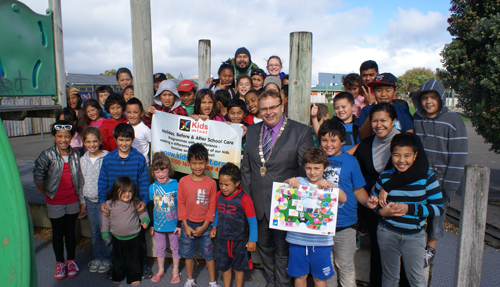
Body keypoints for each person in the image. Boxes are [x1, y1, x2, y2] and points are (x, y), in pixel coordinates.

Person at [241, 90, 314, 287]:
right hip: (258, 202)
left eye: (273, 107)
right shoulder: (253, 131)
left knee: (283, 251)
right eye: (264, 108)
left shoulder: (300, 131)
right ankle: (273, 282)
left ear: (282, 106)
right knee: (264, 247)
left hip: (285, 204)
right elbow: (246, 169)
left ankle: (282, 284)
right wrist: (248, 200)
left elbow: (307, 169)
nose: (269, 112)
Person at [353, 103, 429, 287]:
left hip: (406, 210)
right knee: (379, 258)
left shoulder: (408, 142)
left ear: (394, 121)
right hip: (377, 208)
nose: (379, 125)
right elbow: (354, 170)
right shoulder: (366, 144)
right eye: (374, 120)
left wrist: (387, 186)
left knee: (408, 264)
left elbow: (421, 169)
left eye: (384, 120)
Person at [372, 133, 444, 286]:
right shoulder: (384, 177)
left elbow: (437, 208)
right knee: (389, 277)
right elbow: (374, 203)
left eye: (407, 155)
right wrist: (380, 211)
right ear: (391, 154)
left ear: (416, 155)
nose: (402, 160)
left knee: (416, 279)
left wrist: (409, 208)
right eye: (397, 155)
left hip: (414, 236)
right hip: (387, 233)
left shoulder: (428, 178)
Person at [411, 79, 468, 266]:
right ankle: (416, 246)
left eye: (433, 97)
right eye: (425, 98)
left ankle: (430, 249)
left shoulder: (453, 121)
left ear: (441, 99)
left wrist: (450, 186)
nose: (428, 102)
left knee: (436, 216)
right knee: (417, 211)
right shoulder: (416, 118)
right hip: (419, 177)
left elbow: (458, 155)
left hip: (441, 180)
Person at [317, 119, 376, 287]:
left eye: (333, 140)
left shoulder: (351, 161)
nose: (328, 144)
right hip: (320, 224)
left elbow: (358, 190)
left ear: (342, 141)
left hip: (345, 224)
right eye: (324, 140)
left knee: (345, 266)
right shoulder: (315, 160)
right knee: (326, 267)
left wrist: (368, 203)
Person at [284, 147, 348, 287]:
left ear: (325, 168)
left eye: (317, 168)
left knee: (320, 278)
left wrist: (331, 186)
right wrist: (289, 182)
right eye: (308, 168)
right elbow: (282, 190)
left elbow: (343, 198)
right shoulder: (299, 182)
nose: (312, 172)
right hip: (297, 240)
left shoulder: (329, 187)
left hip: (321, 243)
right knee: (300, 276)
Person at [97, 123, 151, 278]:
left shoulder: (139, 159)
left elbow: (144, 182)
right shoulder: (108, 159)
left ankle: (144, 265)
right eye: (121, 140)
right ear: (115, 139)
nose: (124, 143)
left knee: (139, 239)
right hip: (115, 206)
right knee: (117, 241)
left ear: (132, 140)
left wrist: (144, 201)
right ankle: (118, 267)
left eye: (127, 140)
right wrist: (102, 200)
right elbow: (102, 182)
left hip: (133, 204)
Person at [33, 120, 85, 279]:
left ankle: (71, 261)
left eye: (67, 136)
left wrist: (81, 201)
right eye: (59, 136)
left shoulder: (76, 154)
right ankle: (59, 263)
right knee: (57, 233)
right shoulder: (47, 154)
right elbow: (38, 176)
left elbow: (81, 179)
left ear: (72, 137)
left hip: (72, 201)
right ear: (54, 137)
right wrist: (47, 193)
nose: (63, 140)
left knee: (70, 232)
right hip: (55, 201)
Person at [177, 144, 219, 287]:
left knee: (208, 256)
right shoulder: (183, 182)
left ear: (206, 163)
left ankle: (212, 282)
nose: (197, 166)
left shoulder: (212, 183)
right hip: (188, 224)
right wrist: (185, 225)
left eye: (201, 162)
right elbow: (180, 204)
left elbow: (212, 206)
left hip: (205, 226)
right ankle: (190, 280)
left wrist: (205, 226)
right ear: (188, 163)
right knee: (188, 255)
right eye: (194, 163)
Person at [210, 163, 258, 287]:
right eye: (220, 183)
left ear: (237, 183)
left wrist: (252, 240)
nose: (223, 187)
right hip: (222, 240)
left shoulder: (245, 199)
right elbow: (217, 212)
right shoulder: (218, 196)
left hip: (240, 241)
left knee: (239, 268)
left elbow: (252, 221)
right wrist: (214, 227)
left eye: (227, 184)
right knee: (224, 267)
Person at [102, 177, 150, 286]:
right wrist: (105, 232)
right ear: (115, 190)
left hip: (134, 237)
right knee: (118, 259)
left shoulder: (134, 202)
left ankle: (134, 277)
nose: (127, 194)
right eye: (123, 191)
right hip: (117, 237)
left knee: (134, 259)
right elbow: (105, 219)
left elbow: (143, 213)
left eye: (130, 191)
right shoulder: (110, 204)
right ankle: (118, 275)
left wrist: (145, 221)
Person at [80, 127, 112, 274]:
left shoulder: (108, 157)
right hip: (89, 201)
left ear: (100, 141)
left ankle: (107, 258)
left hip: (104, 202)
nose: (92, 144)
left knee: (105, 231)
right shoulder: (82, 160)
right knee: (94, 232)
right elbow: (81, 181)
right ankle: (97, 257)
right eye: (88, 142)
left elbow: (112, 180)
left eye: (94, 141)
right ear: (84, 142)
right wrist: (82, 201)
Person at [148, 152, 182, 284]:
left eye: (163, 170)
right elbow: (151, 206)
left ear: (169, 169)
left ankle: (175, 271)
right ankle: (161, 270)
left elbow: (180, 206)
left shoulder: (176, 185)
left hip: (173, 226)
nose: (160, 174)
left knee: (175, 248)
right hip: (159, 226)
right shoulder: (152, 188)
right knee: (160, 248)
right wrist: (152, 224)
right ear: (153, 173)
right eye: (157, 171)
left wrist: (179, 225)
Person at [355, 73, 414, 140]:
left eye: (388, 90)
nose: (383, 94)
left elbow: (410, 135)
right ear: (373, 91)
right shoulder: (367, 110)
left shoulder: (402, 110)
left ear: (395, 91)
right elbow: (363, 136)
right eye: (379, 90)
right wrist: (373, 112)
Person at [125, 98, 151, 164]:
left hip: (142, 165)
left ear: (141, 113)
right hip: (128, 163)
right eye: (129, 112)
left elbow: (154, 145)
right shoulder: (124, 127)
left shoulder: (145, 130)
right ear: (125, 113)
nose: (132, 115)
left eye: (135, 112)